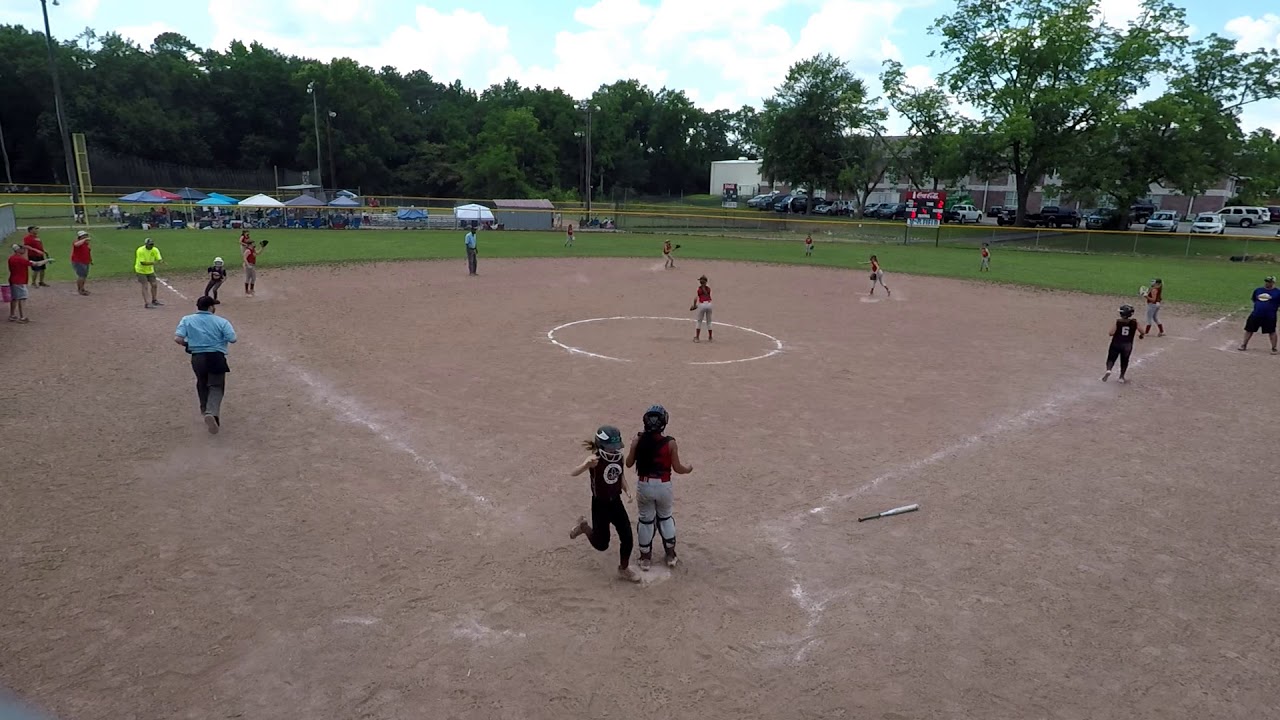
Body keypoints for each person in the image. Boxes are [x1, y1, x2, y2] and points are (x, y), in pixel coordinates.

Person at [568, 425, 641, 583]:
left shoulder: (618, 457)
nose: (613, 451)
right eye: (610, 448)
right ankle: (584, 527)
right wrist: (585, 464)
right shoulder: (595, 461)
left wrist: (627, 490)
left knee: (627, 537)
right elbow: (573, 472)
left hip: (616, 501)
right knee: (601, 544)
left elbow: (619, 476)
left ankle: (624, 569)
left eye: (615, 448)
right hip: (600, 505)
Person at [625, 405, 693, 570]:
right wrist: (688, 469)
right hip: (664, 485)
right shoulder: (670, 443)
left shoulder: (638, 440)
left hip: (644, 485)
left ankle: (645, 558)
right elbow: (677, 468)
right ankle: (670, 555)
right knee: (665, 517)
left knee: (646, 520)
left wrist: (634, 445)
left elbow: (628, 464)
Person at [174, 295, 237, 434]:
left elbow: (178, 338)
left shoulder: (187, 319)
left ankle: (204, 410)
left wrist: (188, 343)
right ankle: (212, 412)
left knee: (202, 383)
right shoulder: (221, 321)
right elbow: (232, 338)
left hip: (197, 357)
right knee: (216, 386)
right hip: (216, 357)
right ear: (210, 307)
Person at [1102, 304, 1144, 383]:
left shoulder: (1118, 322)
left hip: (1116, 343)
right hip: (1127, 345)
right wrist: (1141, 335)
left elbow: (1111, 333)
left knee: (1111, 358)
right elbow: (1142, 331)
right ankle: (1121, 377)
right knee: (1124, 360)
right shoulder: (1134, 322)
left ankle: (1109, 370)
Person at [8, 244, 50, 323]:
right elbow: (36, 264)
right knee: (22, 298)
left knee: (14, 298)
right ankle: (22, 317)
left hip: (13, 280)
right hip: (20, 281)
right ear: (18, 250)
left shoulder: (11, 258)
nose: (24, 250)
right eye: (22, 249)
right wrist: (47, 260)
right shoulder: (19, 259)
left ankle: (12, 315)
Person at [1239, 275, 1280, 354]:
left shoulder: (1278, 292)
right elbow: (1254, 299)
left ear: (1273, 282)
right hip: (1256, 314)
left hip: (1270, 316)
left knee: (1272, 331)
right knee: (1249, 330)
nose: (1267, 283)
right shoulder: (1258, 290)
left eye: (1269, 282)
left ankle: (1274, 348)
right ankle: (1244, 345)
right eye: (1266, 281)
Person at [135, 237, 164, 308]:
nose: (151, 246)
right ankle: (147, 303)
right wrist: (154, 263)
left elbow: (159, 259)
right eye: (150, 245)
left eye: (152, 244)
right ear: (146, 244)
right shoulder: (140, 250)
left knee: (154, 285)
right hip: (140, 270)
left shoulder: (155, 250)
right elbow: (143, 263)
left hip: (150, 270)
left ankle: (154, 300)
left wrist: (161, 262)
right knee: (145, 286)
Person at [690, 274, 713, 343]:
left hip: (702, 305)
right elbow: (706, 295)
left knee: (699, 321)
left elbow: (695, 299)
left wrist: (694, 306)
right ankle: (710, 337)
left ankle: (697, 338)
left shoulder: (699, 289)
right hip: (709, 304)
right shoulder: (709, 289)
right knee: (709, 322)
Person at [70, 229, 92, 295]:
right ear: (80, 237)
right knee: (81, 276)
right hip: (78, 261)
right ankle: (80, 289)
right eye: (84, 236)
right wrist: (84, 240)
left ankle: (82, 288)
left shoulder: (85, 243)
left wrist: (90, 260)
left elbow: (87, 252)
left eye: (86, 235)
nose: (86, 237)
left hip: (85, 261)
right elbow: (76, 245)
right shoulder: (76, 242)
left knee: (84, 276)